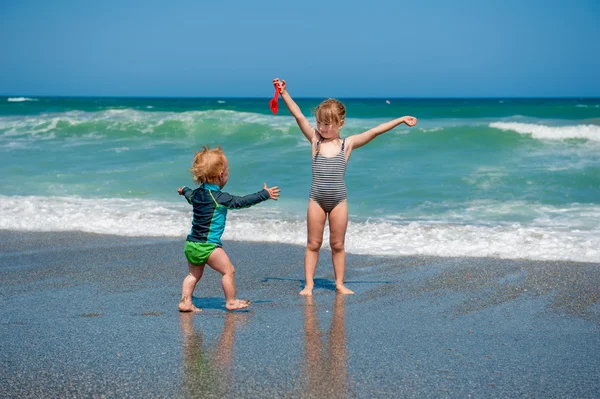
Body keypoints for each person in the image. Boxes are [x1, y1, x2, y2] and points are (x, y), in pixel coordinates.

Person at [273, 78, 417, 296]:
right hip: (316, 199)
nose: (322, 127)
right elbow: (298, 115)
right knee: (313, 243)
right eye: (320, 122)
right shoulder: (315, 140)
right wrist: (283, 93)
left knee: (337, 244)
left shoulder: (346, 144)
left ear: (340, 124)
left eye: (327, 124)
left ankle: (339, 284)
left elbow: (375, 131)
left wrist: (400, 119)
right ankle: (309, 285)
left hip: (339, 199)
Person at [177, 145, 280, 311]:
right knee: (228, 271)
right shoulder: (219, 197)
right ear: (221, 175)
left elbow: (189, 194)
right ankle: (231, 301)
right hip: (208, 246)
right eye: (227, 171)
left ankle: (185, 301)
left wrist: (184, 190)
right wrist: (264, 194)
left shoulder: (196, 195)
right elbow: (241, 202)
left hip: (191, 245)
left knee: (193, 275)